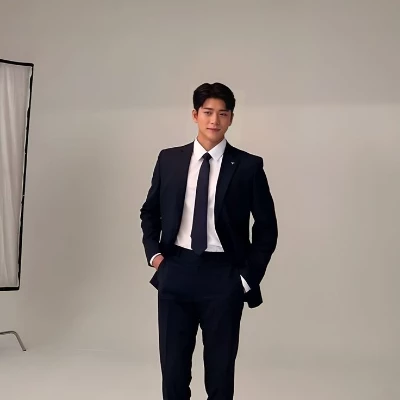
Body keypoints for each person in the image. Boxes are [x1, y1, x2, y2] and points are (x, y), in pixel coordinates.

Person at [140, 82, 278, 400]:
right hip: (176, 270)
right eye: (207, 112)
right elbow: (150, 211)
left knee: (219, 373)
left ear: (231, 119)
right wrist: (155, 255)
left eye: (222, 114)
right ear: (195, 115)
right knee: (173, 372)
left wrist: (246, 278)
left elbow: (267, 228)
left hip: (223, 275)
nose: (214, 120)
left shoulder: (248, 166)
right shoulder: (169, 160)